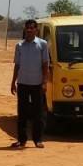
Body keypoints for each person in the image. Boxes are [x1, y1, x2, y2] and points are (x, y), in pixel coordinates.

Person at [9, 19, 51, 149]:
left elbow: (45, 65)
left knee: (38, 113)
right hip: (22, 83)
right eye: (27, 28)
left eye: (32, 28)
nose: (29, 30)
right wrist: (13, 82)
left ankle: (38, 139)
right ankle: (21, 140)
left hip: (37, 83)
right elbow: (17, 65)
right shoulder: (19, 46)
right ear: (25, 29)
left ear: (36, 30)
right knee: (22, 113)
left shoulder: (42, 44)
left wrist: (44, 82)